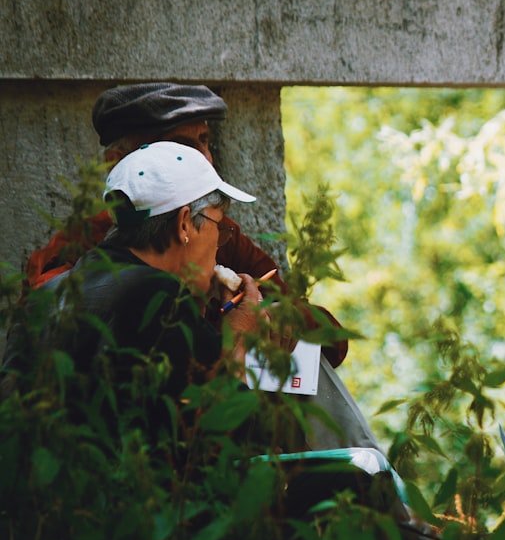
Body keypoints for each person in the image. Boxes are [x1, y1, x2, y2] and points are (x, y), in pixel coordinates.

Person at [22, 82, 380, 451]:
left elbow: (328, 340)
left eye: (206, 141)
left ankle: (370, 491)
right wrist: (231, 331)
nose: (206, 160)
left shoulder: (220, 233)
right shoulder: (83, 262)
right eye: (183, 148)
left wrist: (281, 321)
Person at [4, 142, 269, 442]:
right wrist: (239, 342)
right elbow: (236, 432)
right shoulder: (160, 298)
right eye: (218, 226)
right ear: (184, 224)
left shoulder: (54, 289)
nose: (220, 242)